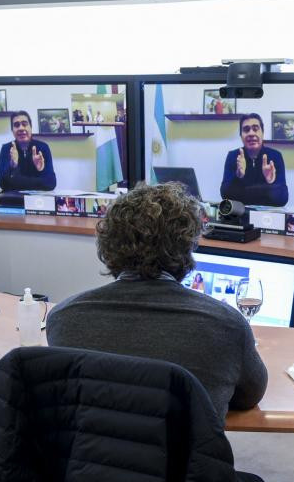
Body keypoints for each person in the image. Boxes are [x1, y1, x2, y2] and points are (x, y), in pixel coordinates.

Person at [46, 183, 267, 427]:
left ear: (108, 245)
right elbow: (249, 397)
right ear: (187, 247)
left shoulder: (63, 319)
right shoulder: (227, 326)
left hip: (88, 463)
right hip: (183, 464)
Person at [219, 112, 289, 207]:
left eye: (255, 129)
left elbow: (282, 199)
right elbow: (225, 196)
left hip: (268, 217)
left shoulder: (275, 156)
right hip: (241, 216)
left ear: (262, 133)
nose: (251, 133)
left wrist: (270, 182)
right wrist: (238, 176)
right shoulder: (233, 156)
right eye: (246, 130)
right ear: (241, 135)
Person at [0, 111, 57, 191]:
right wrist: (12, 166)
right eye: (16, 125)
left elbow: (51, 183)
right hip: (14, 200)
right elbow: (2, 184)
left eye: (24, 124)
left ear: (31, 127)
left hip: (38, 201)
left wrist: (40, 170)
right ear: (12, 130)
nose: (21, 128)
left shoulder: (43, 148)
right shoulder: (7, 149)